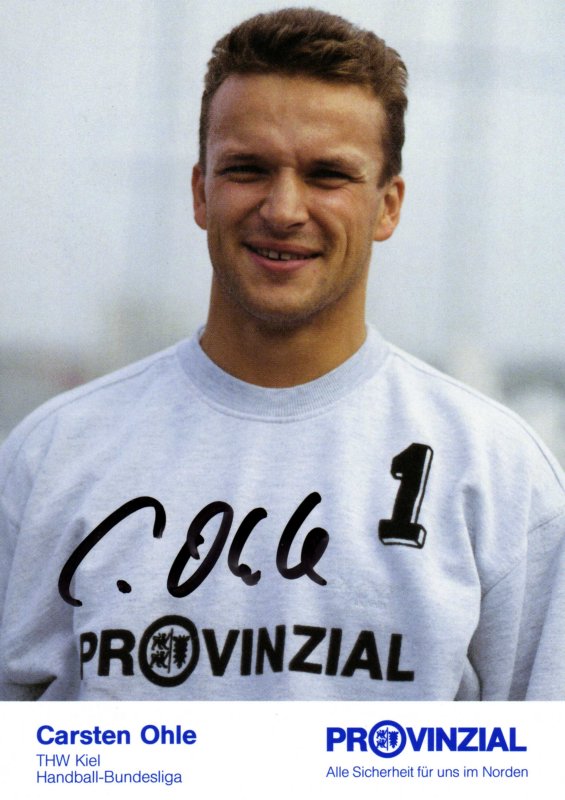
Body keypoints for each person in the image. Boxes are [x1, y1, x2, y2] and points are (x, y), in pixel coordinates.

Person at [0, 7, 564, 702]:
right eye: (248, 169)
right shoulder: (49, 460)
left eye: (328, 175)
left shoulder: (497, 475)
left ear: (388, 206)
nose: (284, 209)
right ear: (201, 191)